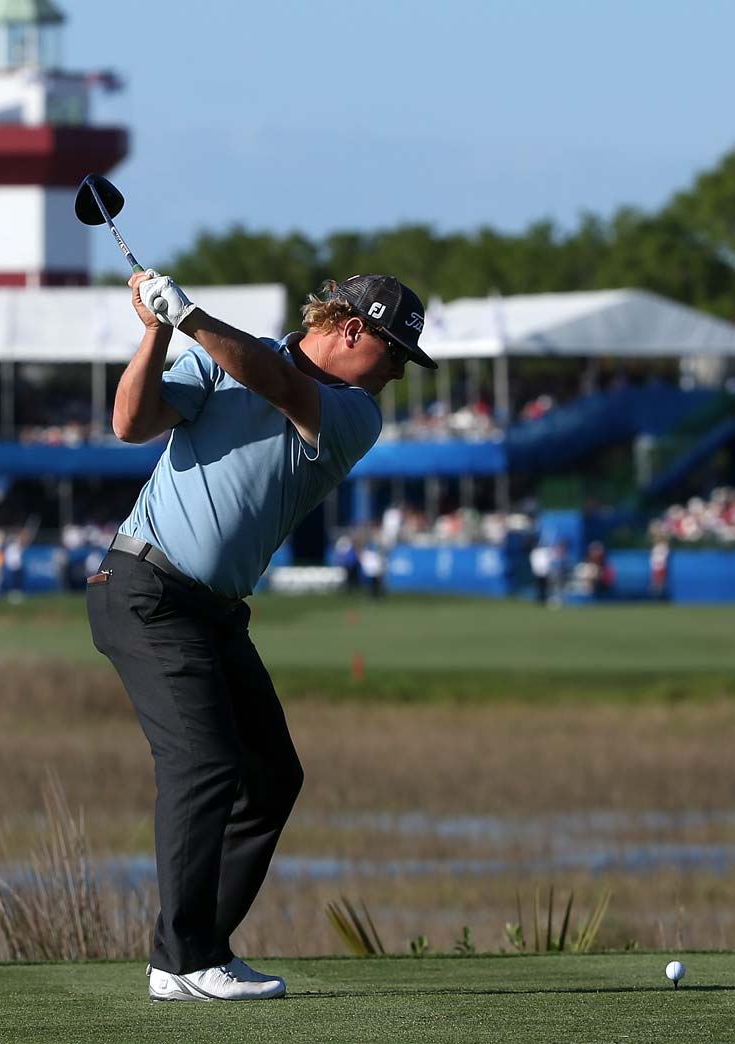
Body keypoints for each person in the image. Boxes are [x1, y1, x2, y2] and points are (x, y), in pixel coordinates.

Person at [89, 268, 435, 1002]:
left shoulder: (351, 414)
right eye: (395, 355)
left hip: (213, 612)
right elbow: (130, 423)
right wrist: (157, 331)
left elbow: (279, 383)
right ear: (351, 330)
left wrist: (189, 317)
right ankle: (186, 962)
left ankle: (190, 950)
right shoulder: (216, 354)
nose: (396, 374)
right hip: (146, 588)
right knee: (205, 764)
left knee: (271, 775)